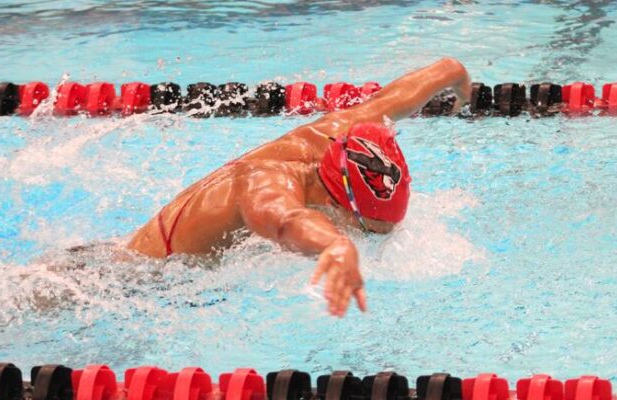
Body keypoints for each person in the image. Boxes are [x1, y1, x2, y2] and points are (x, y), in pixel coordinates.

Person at [127, 57, 472, 317]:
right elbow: (286, 220)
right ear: (335, 204)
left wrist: (458, 80)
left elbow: (433, 76)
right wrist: (335, 243)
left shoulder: (337, 135)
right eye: (367, 230)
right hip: (141, 281)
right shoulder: (266, 182)